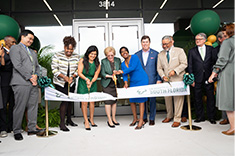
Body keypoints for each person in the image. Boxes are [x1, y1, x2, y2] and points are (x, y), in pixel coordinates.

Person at [9, 30, 44, 141]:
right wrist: (30, 77)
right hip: (21, 82)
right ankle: (17, 131)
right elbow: (17, 65)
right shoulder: (15, 48)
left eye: (32, 39)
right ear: (22, 37)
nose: (31, 41)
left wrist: (36, 76)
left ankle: (32, 128)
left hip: (33, 83)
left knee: (33, 106)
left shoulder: (32, 52)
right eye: (29, 38)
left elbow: (37, 67)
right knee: (20, 107)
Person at [208, 23, 234, 135]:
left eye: (224, 33)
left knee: (228, 100)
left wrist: (213, 74)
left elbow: (222, 60)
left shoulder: (227, 42)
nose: (222, 35)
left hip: (228, 73)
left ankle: (233, 127)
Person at [157, 35, 187, 128]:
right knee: (167, 99)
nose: (164, 46)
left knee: (178, 100)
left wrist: (175, 71)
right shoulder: (160, 54)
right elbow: (159, 68)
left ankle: (177, 119)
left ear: (172, 42)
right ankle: (169, 116)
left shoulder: (179, 51)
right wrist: (162, 76)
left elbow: (184, 64)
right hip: (167, 81)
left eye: (166, 44)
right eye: (163, 44)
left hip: (178, 79)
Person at [188, 33, 217, 124]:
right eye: (196, 39)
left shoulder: (211, 49)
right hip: (197, 78)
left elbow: (214, 62)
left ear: (204, 40)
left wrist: (213, 75)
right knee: (197, 98)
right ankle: (200, 117)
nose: (197, 40)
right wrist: (191, 79)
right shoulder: (192, 51)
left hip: (209, 77)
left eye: (199, 39)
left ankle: (211, 117)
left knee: (210, 97)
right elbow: (190, 66)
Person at [51, 36, 79, 132]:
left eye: (71, 49)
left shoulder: (76, 56)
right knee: (64, 101)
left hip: (71, 83)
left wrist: (73, 77)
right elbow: (54, 70)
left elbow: (78, 70)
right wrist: (64, 77)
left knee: (70, 100)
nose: (69, 51)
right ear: (64, 47)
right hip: (60, 83)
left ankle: (69, 120)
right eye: (68, 49)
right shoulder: (57, 55)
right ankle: (62, 123)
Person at [117, 46, 149, 130]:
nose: (124, 52)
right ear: (121, 54)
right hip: (133, 82)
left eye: (125, 51)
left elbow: (133, 68)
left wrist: (122, 71)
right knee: (132, 100)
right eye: (122, 52)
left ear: (128, 51)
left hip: (142, 80)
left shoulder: (134, 57)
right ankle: (135, 118)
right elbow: (124, 75)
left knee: (141, 100)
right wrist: (126, 83)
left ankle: (141, 120)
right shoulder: (123, 64)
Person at [135, 35, 161, 126]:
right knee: (142, 100)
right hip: (141, 81)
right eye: (143, 42)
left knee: (152, 100)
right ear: (141, 43)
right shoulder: (136, 55)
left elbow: (159, 68)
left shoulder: (156, 54)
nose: (145, 44)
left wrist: (159, 79)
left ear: (149, 43)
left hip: (152, 80)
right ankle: (144, 117)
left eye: (146, 42)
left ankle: (152, 118)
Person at [77, 45, 101, 131]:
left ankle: (91, 119)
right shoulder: (82, 60)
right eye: (91, 54)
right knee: (84, 102)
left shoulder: (97, 63)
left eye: (95, 54)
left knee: (92, 102)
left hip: (92, 82)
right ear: (88, 53)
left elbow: (96, 75)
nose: (93, 56)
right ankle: (86, 120)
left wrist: (91, 82)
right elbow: (79, 73)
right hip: (83, 81)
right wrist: (86, 79)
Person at [100, 47, 121, 128]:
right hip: (107, 84)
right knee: (108, 102)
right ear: (106, 55)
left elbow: (120, 70)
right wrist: (110, 76)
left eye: (112, 55)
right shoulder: (103, 61)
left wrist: (117, 72)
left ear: (114, 54)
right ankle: (109, 119)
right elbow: (102, 73)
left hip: (115, 83)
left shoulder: (118, 60)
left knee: (114, 101)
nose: (110, 57)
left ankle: (114, 118)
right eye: (108, 56)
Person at [0, 36, 16, 137]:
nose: (14, 44)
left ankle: (11, 127)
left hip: (13, 81)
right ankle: (3, 128)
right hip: (4, 82)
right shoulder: (1, 51)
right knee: (3, 105)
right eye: (13, 42)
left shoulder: (14, 52)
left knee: (12, 105)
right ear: (6, 42)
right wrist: (2, 55)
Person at [214, 30, 229, 125]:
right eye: (225, 37)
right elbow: (213, 63)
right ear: (220, 39)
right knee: (224, 97)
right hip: (221, 76)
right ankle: (225, 118)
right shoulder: (215, 50)